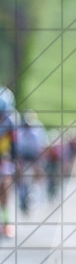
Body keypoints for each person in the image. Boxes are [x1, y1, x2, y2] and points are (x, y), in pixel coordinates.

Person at [0, 87, 15, 237]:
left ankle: (6, 222)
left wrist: (15, 160)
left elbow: (14, 144)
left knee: (5, 187)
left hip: (4, 157)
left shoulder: (10, 121)